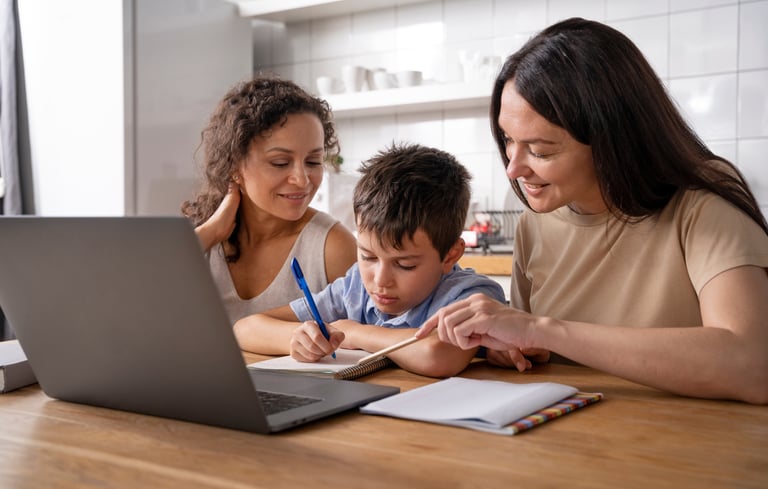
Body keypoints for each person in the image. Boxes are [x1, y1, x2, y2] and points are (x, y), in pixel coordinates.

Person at [417, 18, 768, 404]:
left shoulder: (701, 197)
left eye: (541, 150)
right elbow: (537, 349)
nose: (513, 169)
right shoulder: (536, 220)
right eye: (507, 139)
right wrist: (511, 347)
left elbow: (752, 365)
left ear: (613, 140)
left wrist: (540, 330)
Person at [233, 143, 506, 378]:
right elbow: (245, 328)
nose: (379, 280)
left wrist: (352, 334)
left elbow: (437, 354)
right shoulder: (355, 288)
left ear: (450, 255)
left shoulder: (469, 295)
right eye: (368, 256)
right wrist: (299, 338)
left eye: (405, 264)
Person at [182, 76, 357, 324]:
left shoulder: (332, 248)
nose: (302, 179)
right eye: (280, 163)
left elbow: (366, 351)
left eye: (313, 162)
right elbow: (132, 301)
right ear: (234, 166)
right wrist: (209, 233)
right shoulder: (204, 241)